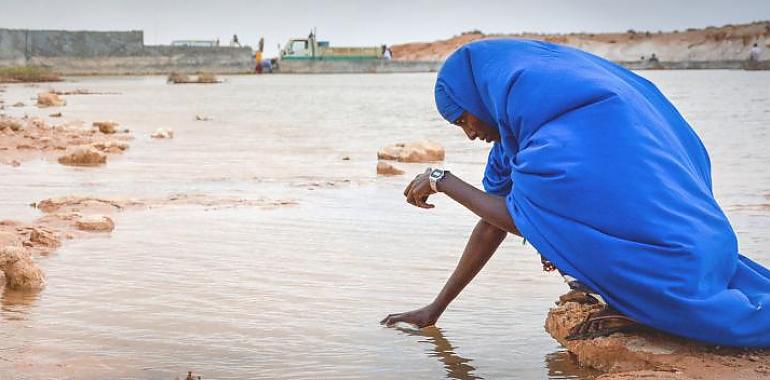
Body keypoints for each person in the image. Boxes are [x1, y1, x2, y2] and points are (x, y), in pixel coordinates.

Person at [380, 39, 770, 347]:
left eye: (465, 118)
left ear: (481, 96)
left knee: (551, 223)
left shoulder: (561, 131)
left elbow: (522, 217)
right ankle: (625, 299)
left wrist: (441, 180)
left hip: (678, 265)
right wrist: (436, 309)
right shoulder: (517, 134)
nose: (469, 133)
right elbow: (491, 224)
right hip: (704, 252)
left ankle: (638, 309)